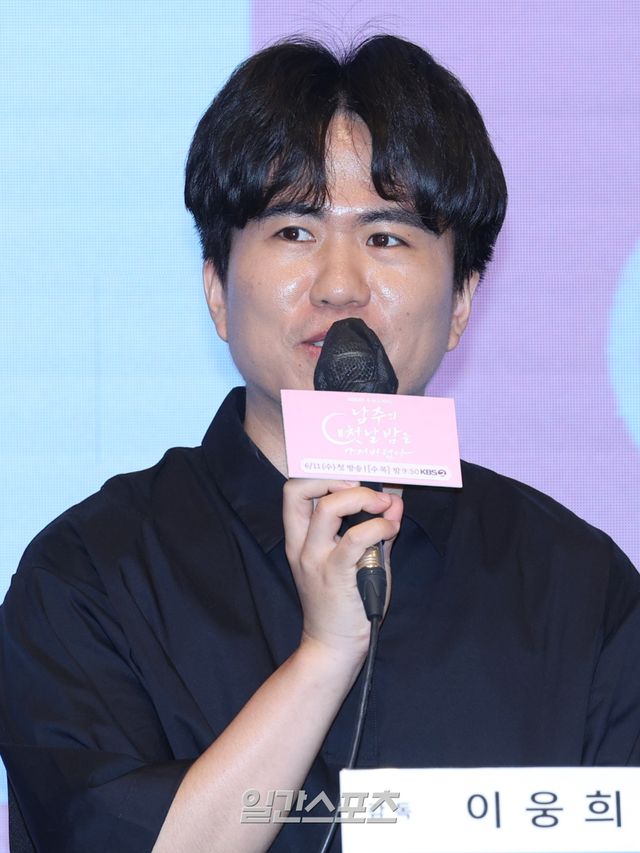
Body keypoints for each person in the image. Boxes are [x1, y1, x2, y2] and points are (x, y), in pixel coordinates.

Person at [1, 34, 639, 853]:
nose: (339, 285)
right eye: (295, 231)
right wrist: (324, 655)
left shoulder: (577, 590)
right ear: (216, 288)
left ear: (461, 301)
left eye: (387, 237)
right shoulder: (91, 577)